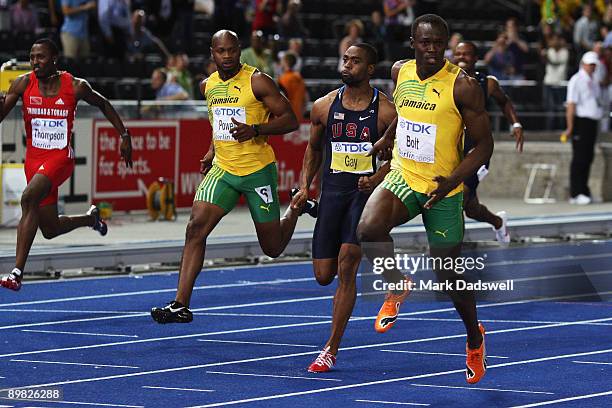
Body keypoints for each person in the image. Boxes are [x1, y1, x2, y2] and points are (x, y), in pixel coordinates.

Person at [357, 14, 493, 384]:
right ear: (413, 42)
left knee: (447, 276)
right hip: (404, 174)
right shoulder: (400, 71)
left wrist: (451, 181)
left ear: (445, 44)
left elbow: (483, 145)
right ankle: (397, 282)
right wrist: (388, 137)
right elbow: (406, 111)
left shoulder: (462, 86)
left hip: (444, 187)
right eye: (425, 42)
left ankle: (474, 336)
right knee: (369, 228)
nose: (431, 49)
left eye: (438, 43)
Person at [151, 30, 315, 324]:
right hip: (224, 170)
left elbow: (291, 119)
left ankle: (296, 207)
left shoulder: (258, 81)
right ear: (212, 53)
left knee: (272, 248)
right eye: (220, 51)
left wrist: (256, 130)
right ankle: (180, 304)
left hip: (257, 171)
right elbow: (219, 124)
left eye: (231, 50)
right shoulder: (208, 86)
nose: (226, 56)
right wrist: (211, 151)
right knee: (195, 228)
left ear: (239, 51)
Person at [292, 43, 396, 372]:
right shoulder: (323, 107)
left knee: (347, 265)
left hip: (363, 197)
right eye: (345, 60)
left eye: (355, 61)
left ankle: (330, 348)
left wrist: (378, 177)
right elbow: (312, 149)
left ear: (369, 69)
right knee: (324, 275)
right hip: (332, 195)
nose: (347, 65)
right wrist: (305, 183)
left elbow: (400, 160)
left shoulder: (386, 112)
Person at [0, 39, 133, 291]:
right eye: (31, 57)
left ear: (54, 59)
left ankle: (16, 273)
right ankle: (91, 219)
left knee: (28, 199)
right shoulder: (23, 83)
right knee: (49, 229)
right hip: (34, 160)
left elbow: (103, 103)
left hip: (60, 157)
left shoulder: (75, 86)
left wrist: (124, 135)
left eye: (40, 57)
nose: (35, 62)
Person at [453, 40, 524, 244]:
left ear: (476, 58)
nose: (461, 58)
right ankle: (498, 221)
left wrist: (516, 124)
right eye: (458, 54)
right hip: (453, 149)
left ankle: (453, 249)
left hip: (478, 152)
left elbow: (504, 102)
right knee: (470, 208)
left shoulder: (488, 83)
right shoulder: (446, 82)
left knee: (460, 197)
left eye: (466, 54)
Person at [564, 51, 605, 205]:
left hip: (591, 122)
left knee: (588, 157)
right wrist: (570, 127)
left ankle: (584, 190)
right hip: (580, 122)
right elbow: (571, 104)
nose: (592, 67)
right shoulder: (576, 80)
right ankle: (576, 193)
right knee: (579, 158)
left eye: (594, 65)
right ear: (583, 64)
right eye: (590, 64)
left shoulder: (594, 79)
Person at [278, 52, 306, 121]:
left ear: (286, 62)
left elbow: (282, 99)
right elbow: (304, 97)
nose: (280, 62)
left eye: (282, 60)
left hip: (288, 116)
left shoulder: (283, 78)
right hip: (299, 114)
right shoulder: (299, 77)